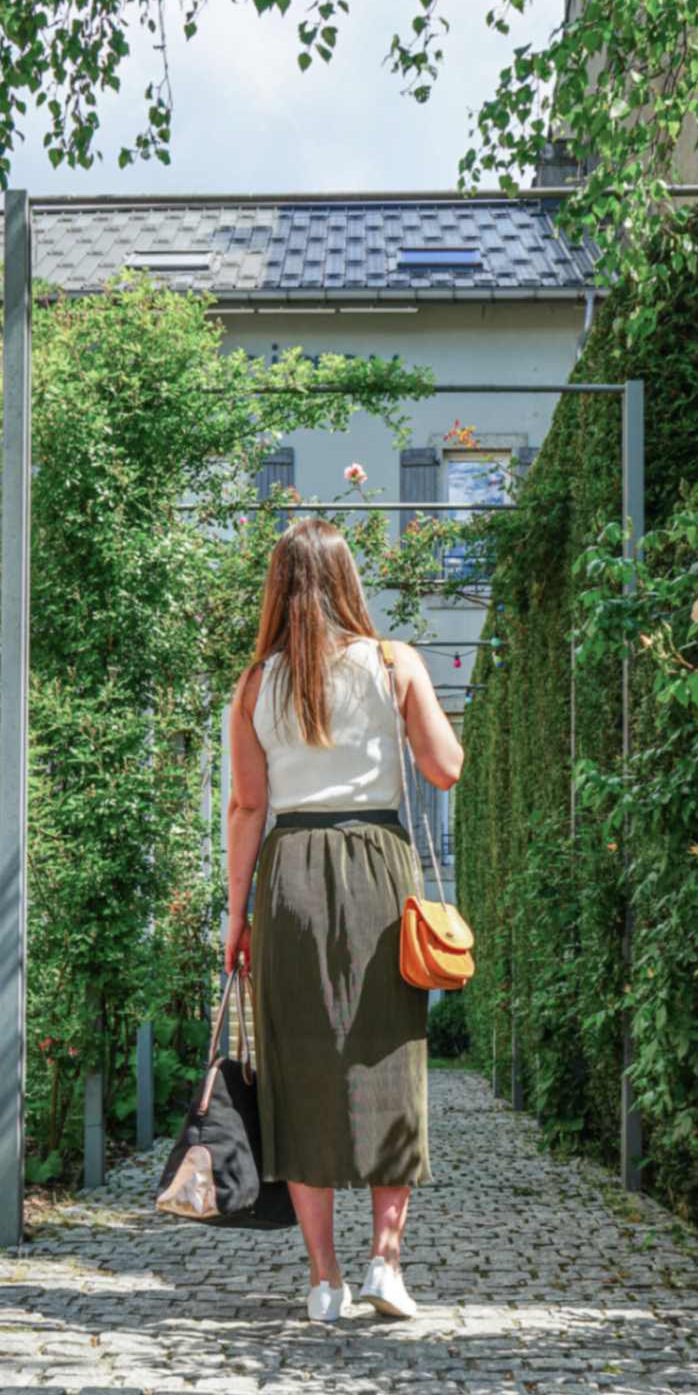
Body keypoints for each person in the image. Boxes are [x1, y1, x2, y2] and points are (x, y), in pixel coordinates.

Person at [223, 517, 465, 1324]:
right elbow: (446, 768)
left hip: (288, 871)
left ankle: (323, 1281)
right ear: (348, 582)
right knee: (389, 1057)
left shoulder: (256, 685)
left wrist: (234, 918)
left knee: (300, 1069)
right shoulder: (395, 662)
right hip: (378, 868)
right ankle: (385, 1266)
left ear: (278, 588)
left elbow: (247, 807)